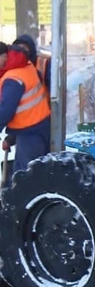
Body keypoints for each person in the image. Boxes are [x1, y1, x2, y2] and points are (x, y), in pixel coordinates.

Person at [0, 41, 51, 182]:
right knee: (34, 173)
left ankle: (26, 203)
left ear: (3, 56)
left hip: (31, 133)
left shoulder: (13, 78)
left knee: (26, 178)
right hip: (36, 128)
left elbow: (5, 110)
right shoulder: (25, 65)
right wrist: (12, 137)